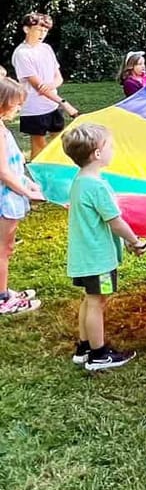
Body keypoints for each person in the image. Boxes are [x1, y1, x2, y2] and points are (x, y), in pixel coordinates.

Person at [62, 123, 146, 369]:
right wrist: (134, 242)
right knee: (97, 302)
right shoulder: (97, 186)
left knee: (90, 300)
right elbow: (115, 221)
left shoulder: (80, 181)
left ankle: (84, 347)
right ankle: (99, 355)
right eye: (109, 146)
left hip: (85, 256)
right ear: (97, 154)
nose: (113, 150)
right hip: (98, 259)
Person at [0, 78, 45, 316]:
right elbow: (3, 172)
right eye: (16, 104)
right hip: (6, 198)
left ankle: (3, 290)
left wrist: (29, 184)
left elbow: (13, 167)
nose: (19, 109)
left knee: (4, 248)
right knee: (3, 249)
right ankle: (2, 298)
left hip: (11, 193)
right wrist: (27, 193)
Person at [11, 11, 78, 159]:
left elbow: (58, 77)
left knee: (60, 141)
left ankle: (58, 170)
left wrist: (50, 86)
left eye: (45, 30)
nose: (42, 33)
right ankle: (38, 177)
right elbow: (38, 87)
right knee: (39, 145)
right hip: (34, 108)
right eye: (38, 30)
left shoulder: (46, 48)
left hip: (52, 105)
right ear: (26, 29)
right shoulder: (22, 54)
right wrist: (65, 104)